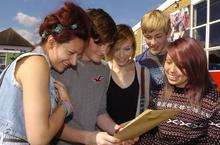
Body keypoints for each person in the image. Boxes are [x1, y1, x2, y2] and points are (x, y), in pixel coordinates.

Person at [0, 2, 91, 144]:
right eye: (70, 52)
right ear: (51, 42)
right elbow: (39, 139)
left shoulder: (33, 63)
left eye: (78, 56)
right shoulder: (37, 64)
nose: (74, 62)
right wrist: (66, 106)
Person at [52, 8, 121, 145]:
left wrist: (117, 130)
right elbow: (45, 123)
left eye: (108, 45)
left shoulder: (104, 69)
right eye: (99, 43)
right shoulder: (59, 65)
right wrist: (90, 138)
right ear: (84, 34)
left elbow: (99, 112)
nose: (104, 51)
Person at [137, 37, 220, 145]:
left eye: (180, 65)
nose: (171, 70)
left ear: (194, 66)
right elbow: (147, 132)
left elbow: (214, 141)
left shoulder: (213, 100)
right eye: (169, 62)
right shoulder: (159, 93)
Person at [106, 24, 150, 124]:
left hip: (134, 137)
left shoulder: (143, 73)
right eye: (116, 49)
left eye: (127, 49)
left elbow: (144, 109)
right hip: (106, 136)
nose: (121, 55)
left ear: (133, 48)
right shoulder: (103, 70)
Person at [136, 10, 171, 98]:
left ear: (168, 33)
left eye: (158, 36)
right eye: (148, 37)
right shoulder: (140, 61)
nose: (153, 42)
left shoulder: (182, 54)